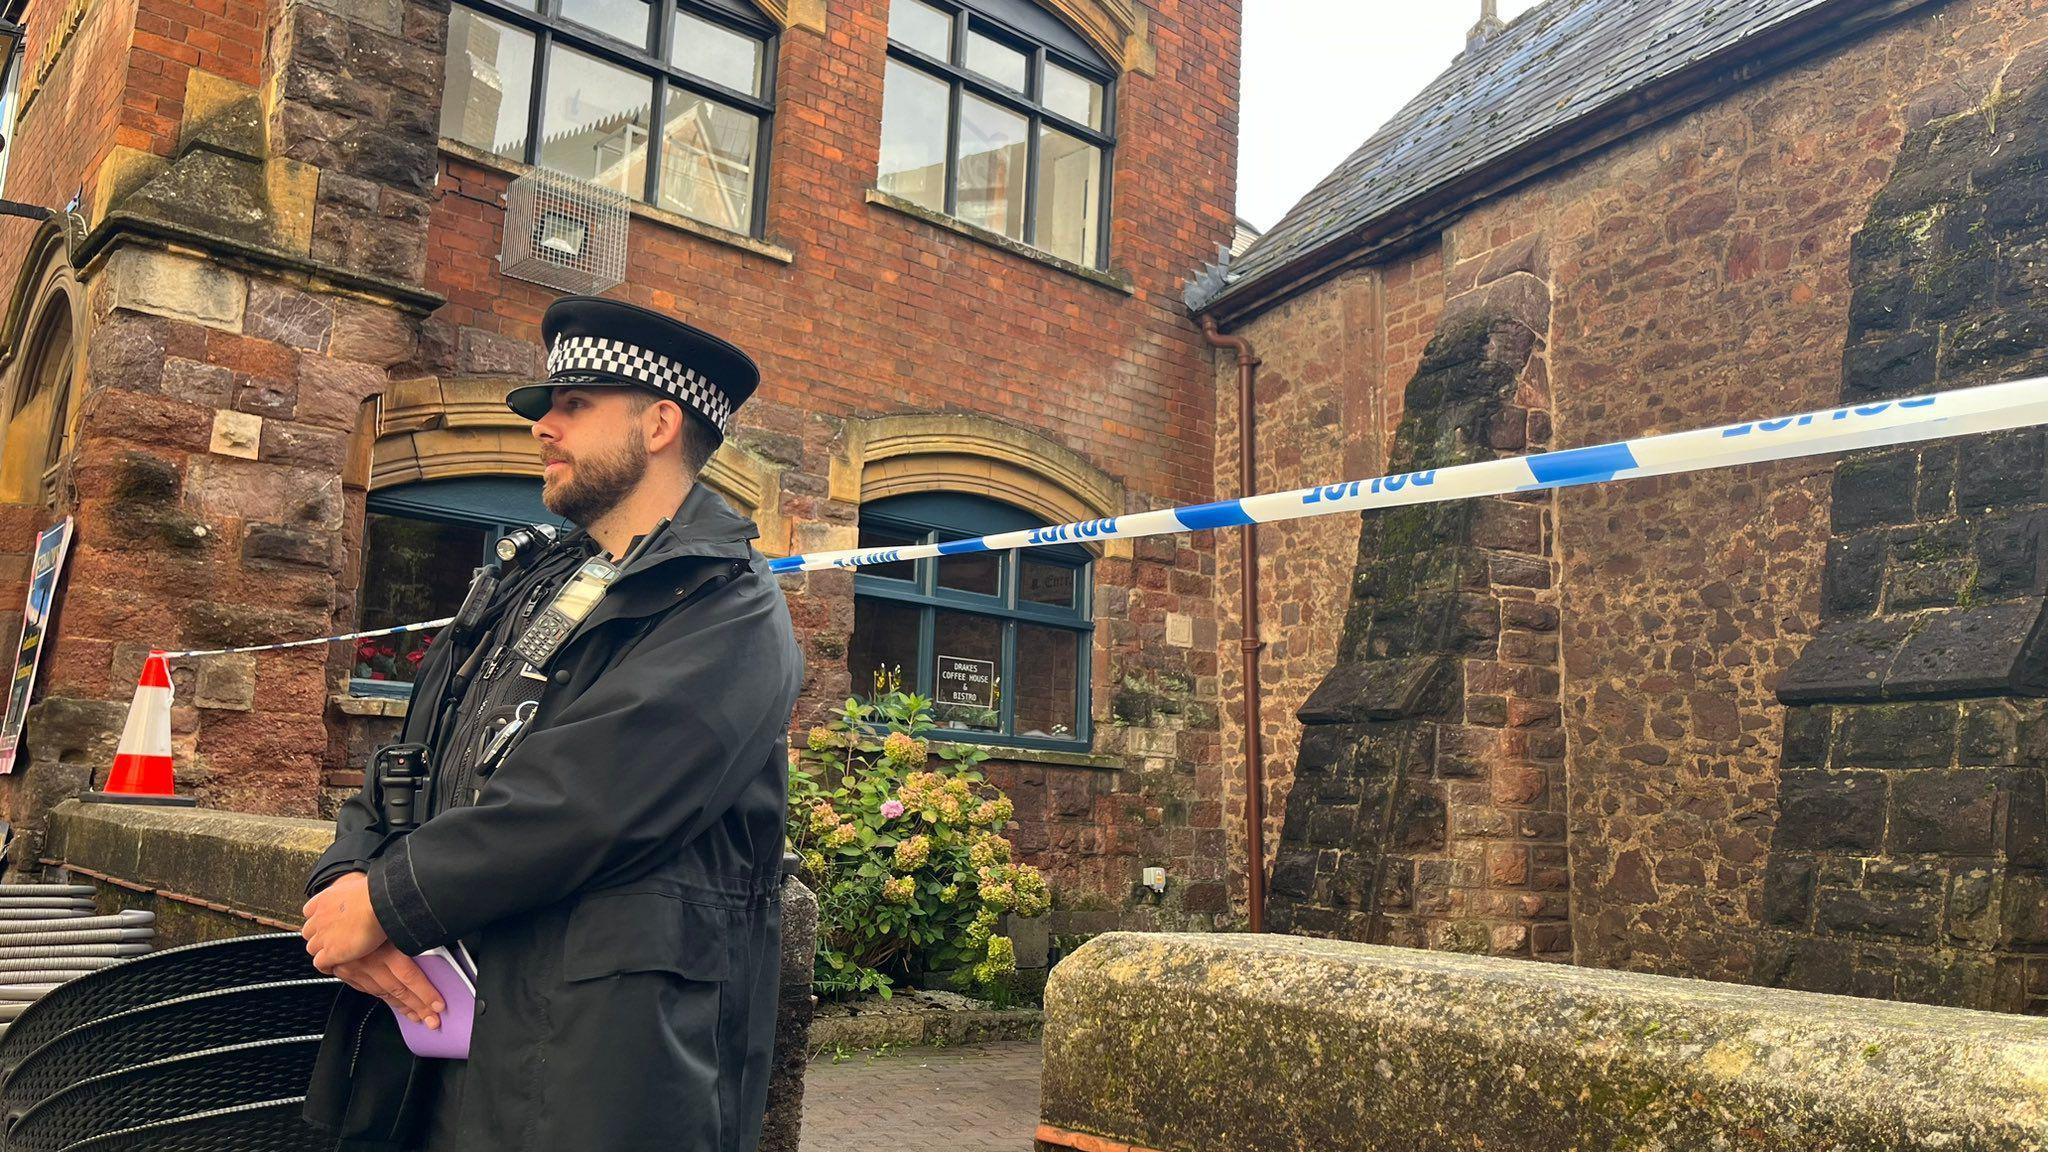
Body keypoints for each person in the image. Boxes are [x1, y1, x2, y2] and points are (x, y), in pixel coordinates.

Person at [298, 296, 805, 1152]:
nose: (545, 427)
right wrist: (342, 880)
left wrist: (388, 899)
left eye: (575, 406)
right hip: (436, 1045)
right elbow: (411, 757)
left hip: (591, 1067)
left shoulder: (732, 611)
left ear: (658, 424)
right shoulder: (525, 581)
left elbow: (587, 802)